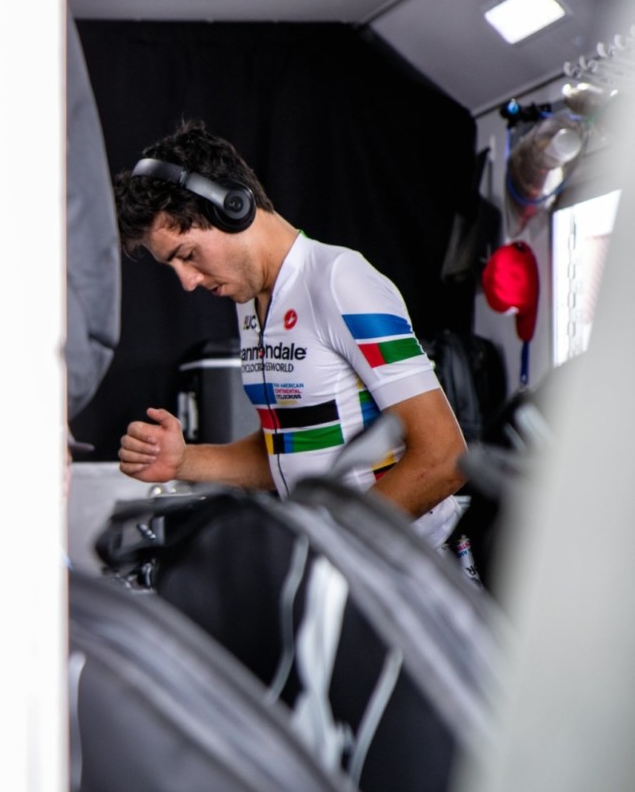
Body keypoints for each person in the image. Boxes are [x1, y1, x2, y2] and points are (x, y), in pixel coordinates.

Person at [114, 119, 467, 549]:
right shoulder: (250, 303)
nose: (187, 282)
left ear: (232, 206)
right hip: (346, 574)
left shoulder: (339, 281)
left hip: (407, 574)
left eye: (188, 255)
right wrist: (185, 459)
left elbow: (444, 457)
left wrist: (328, 550)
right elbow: (291, 450)